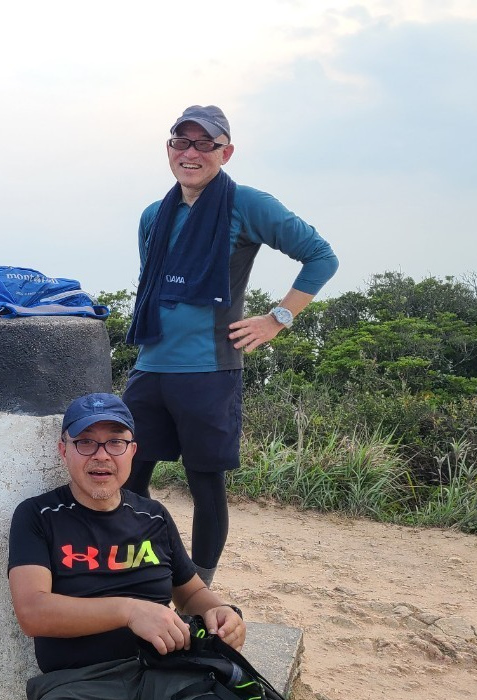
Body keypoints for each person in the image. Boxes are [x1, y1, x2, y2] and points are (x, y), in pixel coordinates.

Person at [124, 105, 339, 585]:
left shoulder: (246, 204)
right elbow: (150, 285)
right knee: (130, 480)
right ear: (169, 149)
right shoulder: (153, 215)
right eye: (182, 142)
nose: (192, 153)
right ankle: (145, 576)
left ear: (226, 152)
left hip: (209, 369)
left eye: (206, 143)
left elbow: (321, 257)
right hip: (150, 366)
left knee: (205, 485)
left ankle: (199, 592)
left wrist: (277, 318)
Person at [8, 393, 247, 700]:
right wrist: (130, 611)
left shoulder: (154, 516)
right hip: (79, 687)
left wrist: (219, 611)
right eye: (85, 442)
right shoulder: (38, 515)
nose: (101, 455)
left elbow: (190, 593)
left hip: (168, 671)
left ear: (132, 450)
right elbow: (32, 612)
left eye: (115, 442)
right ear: (64, 450)